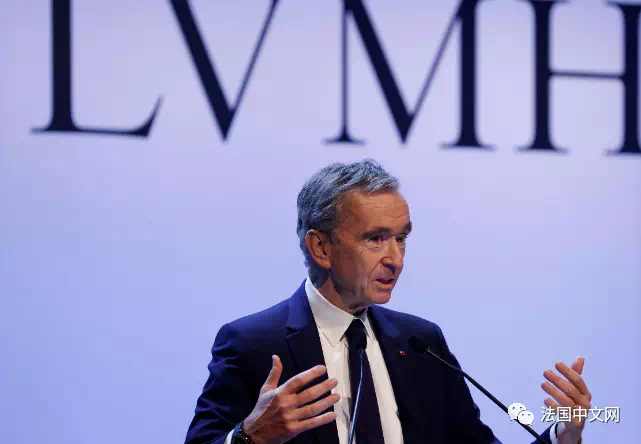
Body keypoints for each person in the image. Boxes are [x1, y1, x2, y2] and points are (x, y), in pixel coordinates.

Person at [185, 159, 591, 444]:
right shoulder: (253, 343)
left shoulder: (422, 343)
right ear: (321, 247)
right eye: (375, 239)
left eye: (401, 238)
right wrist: (249, 438)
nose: (396, 258)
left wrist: (565, 434)